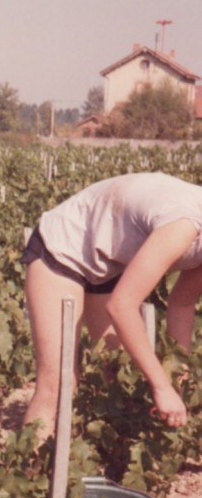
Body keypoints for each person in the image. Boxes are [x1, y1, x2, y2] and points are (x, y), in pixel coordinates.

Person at [20, 172, 202, 438]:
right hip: (63, 250)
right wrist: (162, 387)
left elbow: (182, 305)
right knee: (59, 385)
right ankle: (30, 471)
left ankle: (101, 466)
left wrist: (178, 381)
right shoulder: (183, 225)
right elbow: (121, 306)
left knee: (119, 380)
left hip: (110, 261)